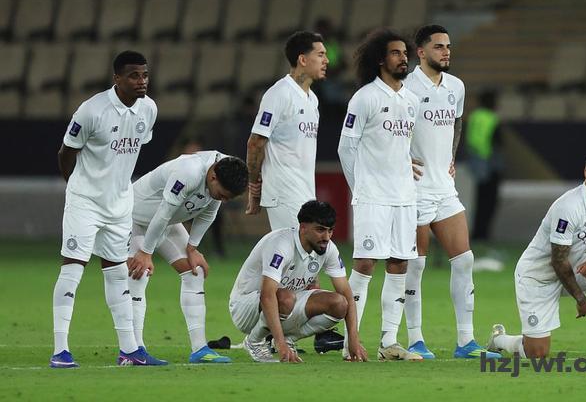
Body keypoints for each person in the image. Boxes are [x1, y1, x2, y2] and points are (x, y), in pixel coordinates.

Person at [51, 51, 164, 368]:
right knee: (73, 269)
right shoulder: (92, 110)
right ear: (117, 78)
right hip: (85, 203)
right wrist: (77, 188)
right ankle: (60, 350)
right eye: (133, 75)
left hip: (119, 205)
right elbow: (65, 153)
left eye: (144, 75)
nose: (141, 81)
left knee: (116, 273)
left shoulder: (149, 109)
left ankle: (129, 350)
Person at [404, 25, 500, 360]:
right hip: (414, 189)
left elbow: (457, 123)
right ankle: (415, 339)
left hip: (444, 188)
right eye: (439, 47)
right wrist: (400, 160)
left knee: (464, 260)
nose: (446, 52)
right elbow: (391, 130)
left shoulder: (456, 87)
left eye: (448, 46)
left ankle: (466, 342)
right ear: (421, 52)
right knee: (415, 265)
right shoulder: (406, 87)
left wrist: (451, 157)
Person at [487, 151, 586, 360]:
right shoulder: (568, 207)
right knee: (537, 354)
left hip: (571, 269)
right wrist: (580, 298)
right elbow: (558, 261)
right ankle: (498, 339)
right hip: (537, 278)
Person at [245, 30, 343, 352]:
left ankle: (301, 331)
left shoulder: (312, 99)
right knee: (292, 266)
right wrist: (254, 186)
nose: (326, 60)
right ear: (302, 59)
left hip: (304, 192)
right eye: (320, 54)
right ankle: (266, 337)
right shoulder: (279, 94)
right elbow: (256, 141)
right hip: (284, 192)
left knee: (307, 263)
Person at [337, 28, 422, 361]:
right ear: (380, 59)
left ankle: (389, 341)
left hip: (405, 196)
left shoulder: (411, 100)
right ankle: (351, 341)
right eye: (396, 53)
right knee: (365, 263)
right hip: (373, 196)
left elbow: (400, 146)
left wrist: (405, 165)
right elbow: (346, 147)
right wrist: (359, 186)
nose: (403, 58)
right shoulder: (365, 98)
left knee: (400, 263)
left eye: (405, 53)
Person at [127, 151, 248, 364]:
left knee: (195, 272)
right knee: (139, 272)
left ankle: (200, 349)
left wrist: (193, 248)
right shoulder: (188, 172)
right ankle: (135, 350)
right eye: (223, 195)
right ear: (213, 177)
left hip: (166, 223)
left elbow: (209, 212)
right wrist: (145, 252)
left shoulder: (224, 170)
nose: (224, 200)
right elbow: (163, 212)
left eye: (228, 198)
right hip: (134, 219)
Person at [229, 201, 368, 363]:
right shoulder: (281, 245)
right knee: (285, 298)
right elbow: (267, 295)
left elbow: (347, 294)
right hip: (245, 307)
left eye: (330, 230)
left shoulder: (328, 248)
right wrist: (280, 344)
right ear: (303, 228)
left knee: (340, 303)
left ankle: (289, 339)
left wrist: (352, 340)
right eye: (320, 230)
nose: (326, 237)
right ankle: (255, 341)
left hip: (285, 306)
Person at [465, 90, 503, 241]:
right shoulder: (492, 118)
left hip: (476, 161)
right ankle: (484, 233)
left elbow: (470, 138)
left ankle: (477, 232)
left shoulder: (474, 116)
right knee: (490, 201)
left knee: (480, 199)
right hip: (490, 163)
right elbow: (497, 142)